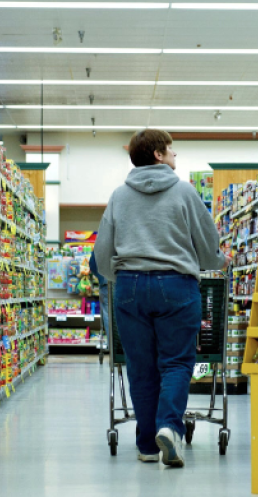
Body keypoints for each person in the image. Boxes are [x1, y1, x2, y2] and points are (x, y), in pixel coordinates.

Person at [93, 129, 227, 468]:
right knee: (177, 363)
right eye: (171, 151)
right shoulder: (184, 191)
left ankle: (147, 445)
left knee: (139, 366)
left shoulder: (118, 196)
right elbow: (209, 249)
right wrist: (217, 262)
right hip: (176, 285)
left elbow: (102, 253)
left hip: (129, 288)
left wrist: (120, 277)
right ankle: (169, 427)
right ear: (157, 155)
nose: (175, 156)